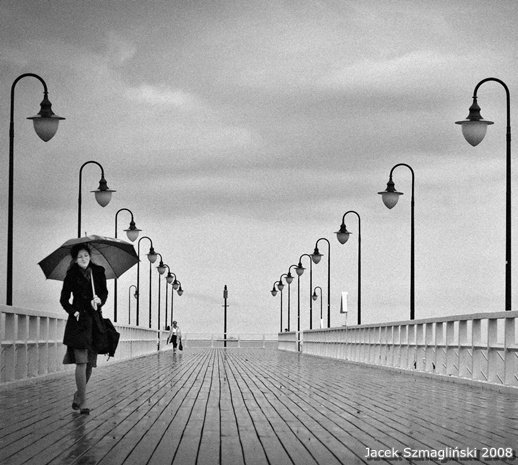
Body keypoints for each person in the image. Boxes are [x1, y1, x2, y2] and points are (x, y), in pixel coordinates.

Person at [60, 244, 108, 415]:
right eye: (80, 256)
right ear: (75, 259)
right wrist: (74, 312)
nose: (83, 259)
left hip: (94, 321)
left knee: (89, 364)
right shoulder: (71, 276)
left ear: (90, 256)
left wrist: (99, 300)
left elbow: (104, 293)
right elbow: (64, 300)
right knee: (81, 361)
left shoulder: (99, 272)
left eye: (86, 255)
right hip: (79, 323)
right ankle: (84, 402)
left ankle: (78, 395)